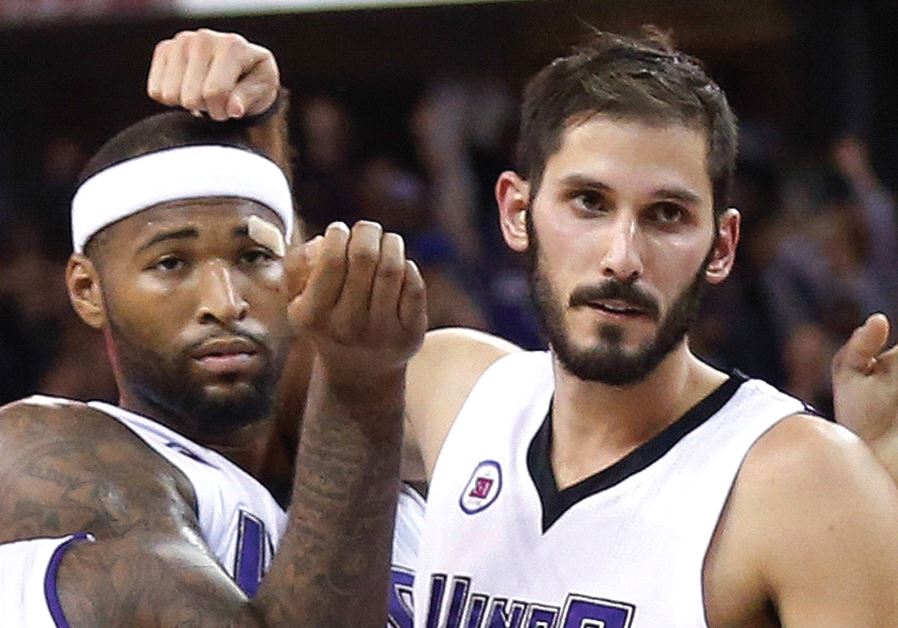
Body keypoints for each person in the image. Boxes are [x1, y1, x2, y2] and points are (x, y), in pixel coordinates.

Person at [148, 28, 898, 627]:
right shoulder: (455, 386)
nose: (622, 257)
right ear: (516, 211)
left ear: (722, 245)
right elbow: (261, 367)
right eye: (588, 203)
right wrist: (254, 128)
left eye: (666, 215)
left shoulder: (806, 482)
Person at [0, 68, 427, 626]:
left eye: (253, 259)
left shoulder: (410, 487)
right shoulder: (44, 453)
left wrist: (264, 113)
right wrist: (358, 389)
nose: (225, 302)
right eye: (171, 263)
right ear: (87, 290)